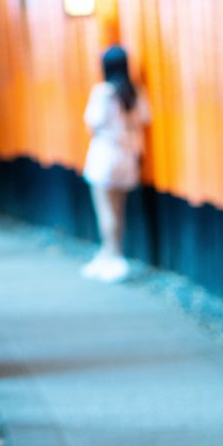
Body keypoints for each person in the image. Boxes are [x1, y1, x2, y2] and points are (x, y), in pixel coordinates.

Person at [80, 45, 150, 283]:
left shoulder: (103, 92)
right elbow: (145, 119)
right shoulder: (136, 92)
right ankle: (108, 254)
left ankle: (113, 256)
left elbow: (92, 123)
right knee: (118, 209)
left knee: (105, 209)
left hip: (104, 156)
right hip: (129, 157)